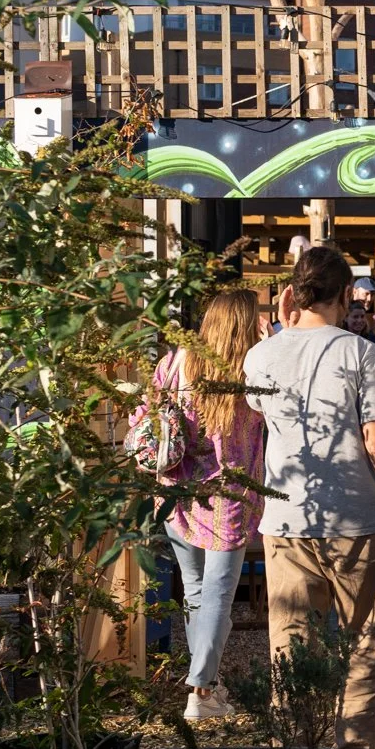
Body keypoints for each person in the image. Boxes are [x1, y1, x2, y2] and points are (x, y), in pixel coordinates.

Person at [245, 246, 375, 749]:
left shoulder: (261, 355)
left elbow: (267, 415)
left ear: (293, 293)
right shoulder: (359, 353)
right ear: (343, 296)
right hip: (354, 520)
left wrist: (285, 324)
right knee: (363, 649)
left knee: (291, 652)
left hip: (286, 520)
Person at [156, 289, 266, 722]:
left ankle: (208, 685)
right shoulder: (251, 369)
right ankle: (200, 690)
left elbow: (147, 413)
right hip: (228, 498)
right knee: (217, 593)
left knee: (196, 591)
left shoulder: (175, 362)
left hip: (176, 491)